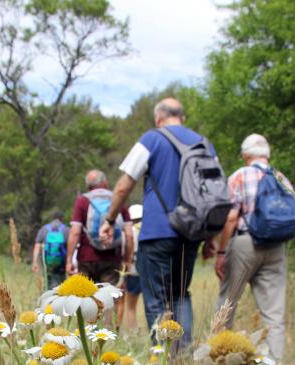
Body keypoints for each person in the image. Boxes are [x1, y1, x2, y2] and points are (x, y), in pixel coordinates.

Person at [99, 98, 216, 349]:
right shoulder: (204, 144)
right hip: (191, 233)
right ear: (182, 118)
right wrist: (210, 238)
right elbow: (213, 195)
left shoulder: (152, 139)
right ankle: (182, 355)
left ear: (159, 118)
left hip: (157, 233)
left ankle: (162, 356)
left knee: (156, 299)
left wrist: (109, 220)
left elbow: (123, 186)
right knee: (181, 295)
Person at [214, 134, 293, 363]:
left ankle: (222, 361)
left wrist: (221, 252)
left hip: (244, 242)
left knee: (227, 304)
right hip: (277, 246)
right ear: (266, 155)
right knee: (274, 313)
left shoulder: (239, 175)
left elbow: (231, 218)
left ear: (245, 155)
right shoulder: (281, 178)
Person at [66, 169, 133, 288]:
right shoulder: (117, 200)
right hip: (111, 258)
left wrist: (69, 260)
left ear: (87, 186)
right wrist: (127, 260)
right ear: (105, 183)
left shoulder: (82, 201)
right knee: (107, 299)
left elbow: (75, 232)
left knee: (84, 299)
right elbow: (129, 235)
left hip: (86, 258)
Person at [32, 211, 69, 289]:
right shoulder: (66, 230)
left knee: (48, 281)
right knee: (60, 283)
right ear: (62, 218)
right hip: (61, 264)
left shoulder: (44, 229)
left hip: (47, 262)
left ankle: (48, 295)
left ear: (52, 218)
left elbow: (37, 246)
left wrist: (35, 262)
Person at [122, 204, 143, 333]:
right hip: (149, 270)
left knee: (130, 306)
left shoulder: (130, 232)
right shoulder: (149, 230)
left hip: (133, 270)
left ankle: (133, 332)